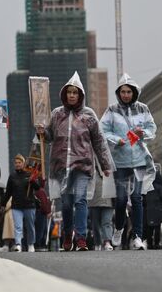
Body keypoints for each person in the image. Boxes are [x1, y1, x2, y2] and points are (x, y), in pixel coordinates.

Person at [37, 72, 111, 252]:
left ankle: (81, 239)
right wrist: (41, 131)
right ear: (64, 94)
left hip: (82, 167)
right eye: (69, 92)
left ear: (80, 95)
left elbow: (99, 141)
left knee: (80, 201)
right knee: (67, 204)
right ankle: (67, 234)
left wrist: (106, 165)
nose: (71, 95)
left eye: (75, 92)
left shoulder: (89, 115)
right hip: (62, 167)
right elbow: (48, 137)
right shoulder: (56, 115)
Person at [100, 73, 156, 251]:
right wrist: (117, 140)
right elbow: (103, 130)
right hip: (121, 162)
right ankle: (119, 228)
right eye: (122, 92)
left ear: (134, 92)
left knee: (137, 198)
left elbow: (152, 128)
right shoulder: (111, 110)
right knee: (122, 200)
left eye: (128, 92)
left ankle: (138, 237)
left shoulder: (143, 109)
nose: (125, 95)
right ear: (118, 93)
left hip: (139, 160)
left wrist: (143, 134)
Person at [0, 154, 39, 252]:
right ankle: (18, 244)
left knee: (30, 226)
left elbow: (38, 188)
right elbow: (8, 192)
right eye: (16, 163)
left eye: (19, 162)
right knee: (18, 226)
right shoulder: (12, 176)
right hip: (16, 206)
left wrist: (33, 181)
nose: (17, 164)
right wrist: (3, 204)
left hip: (29, 205)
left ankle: (31, 244)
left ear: (24, 163)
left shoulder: (30, 174)